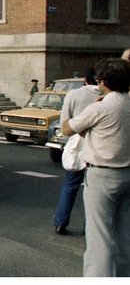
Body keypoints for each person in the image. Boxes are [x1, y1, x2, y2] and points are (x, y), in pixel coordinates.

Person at [62, 58, 130, 277]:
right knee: (124, 232)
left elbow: (66, 129)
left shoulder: (100, 108)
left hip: (102, 174)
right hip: (127, 173)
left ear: (103, 81)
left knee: (99, 235)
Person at [52, 68, 97, 235]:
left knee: (70, 186)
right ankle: (88, 226)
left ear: (85, 79)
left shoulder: (74, 95)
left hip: (77, 143)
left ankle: (61, 222)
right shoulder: (108, 98)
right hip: (98, 148)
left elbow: (65, 125)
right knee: (92, 190)